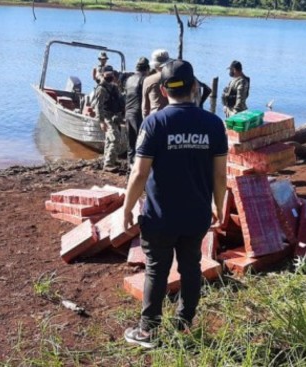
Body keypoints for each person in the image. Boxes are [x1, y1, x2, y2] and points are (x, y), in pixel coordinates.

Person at [122, 59, 228, 348]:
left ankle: (148, 332)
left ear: (163, 90)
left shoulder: (155, 123)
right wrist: (220, 206)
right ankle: (184, 325)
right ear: (194, 87)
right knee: (190, 267)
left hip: (159, 216)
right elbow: (220, 175)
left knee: (157, 268)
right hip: (195, 215)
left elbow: (139, 172)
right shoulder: (214, 124)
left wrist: (127, 207)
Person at [94, 65, 125, 172]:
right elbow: (98, 106)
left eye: (111, 74)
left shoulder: (113, 87)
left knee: (109, 139)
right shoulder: (101, 89)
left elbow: (119, 100)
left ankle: (108, 160)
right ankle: (108, 164)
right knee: (115, 138)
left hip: (115, 116)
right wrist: (101, 121)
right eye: (108, 75)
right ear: (103, 75)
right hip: (107, 117)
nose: (110, 76)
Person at [124, 57, 150, 166]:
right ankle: (138, 169)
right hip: (138, 114)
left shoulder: (129, 79)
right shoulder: (144, 80)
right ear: (147, 68)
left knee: (131, 143)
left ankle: (129, 168)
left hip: (128, 113)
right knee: (140, 143)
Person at [142, 49, 171, 118]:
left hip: (155, 117)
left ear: (155, 65)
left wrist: (146, 121)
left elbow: (145, 107)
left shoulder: (149, 80)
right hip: (172, 116)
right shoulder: (174, 77)